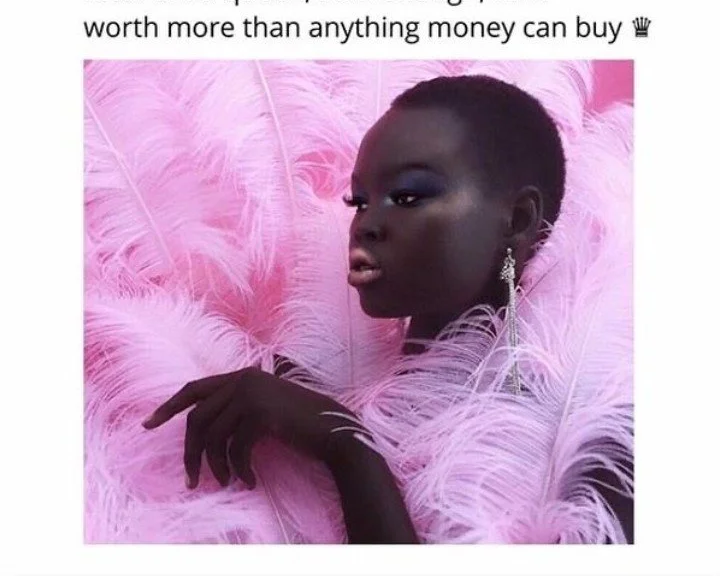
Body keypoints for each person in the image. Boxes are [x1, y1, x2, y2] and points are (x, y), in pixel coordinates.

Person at [136, 74, 633, 543]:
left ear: (517, 220)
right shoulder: (296, 392)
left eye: (408, 195)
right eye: (360, 200)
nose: (366, 224)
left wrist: (348, 449)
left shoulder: (591, 441)